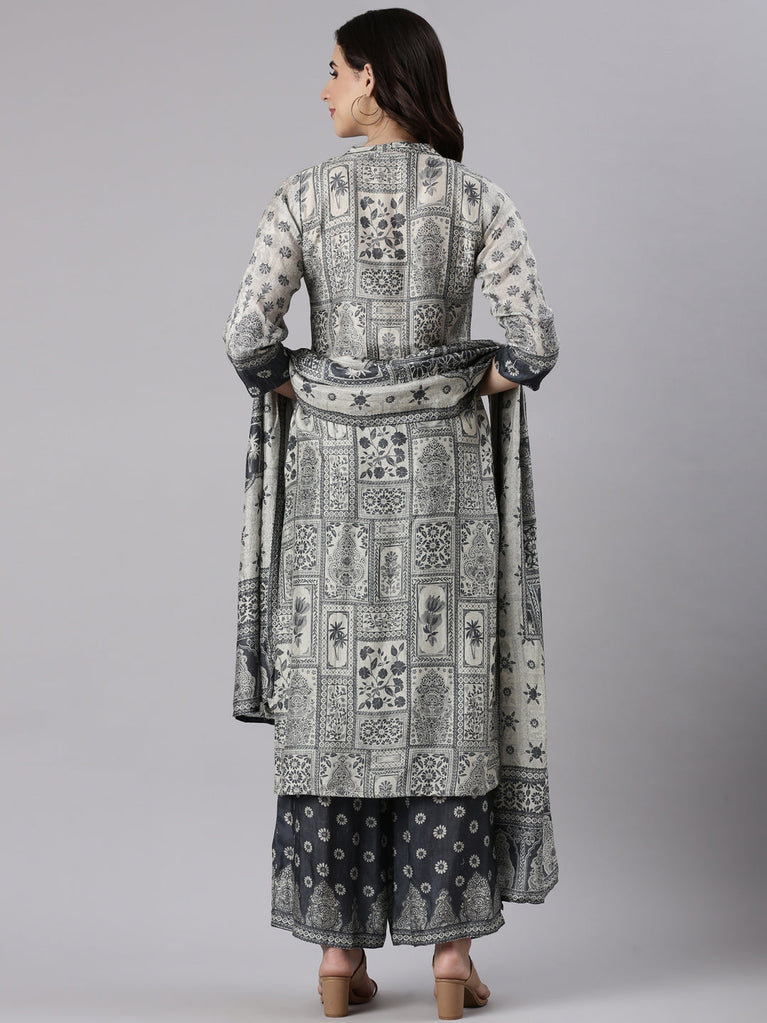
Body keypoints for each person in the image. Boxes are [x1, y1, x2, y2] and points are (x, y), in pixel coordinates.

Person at [222, 8, 560, 1018]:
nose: (324, 88)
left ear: (371, 77)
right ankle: (450, 958)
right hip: (443, 489)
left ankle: (338, 961)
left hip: (330, 490)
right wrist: (455, 384)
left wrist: (317, 389)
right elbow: (531, 344)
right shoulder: (477, 199)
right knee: (441, 701)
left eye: (333, 70)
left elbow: (246, 338)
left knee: (333, 700)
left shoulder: (300, 196)